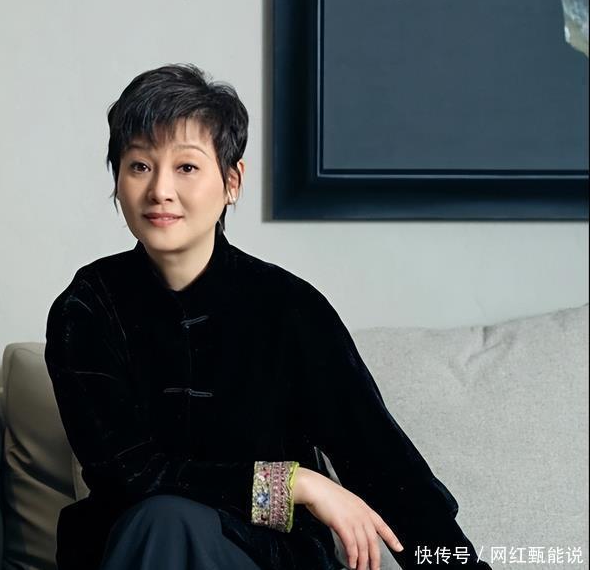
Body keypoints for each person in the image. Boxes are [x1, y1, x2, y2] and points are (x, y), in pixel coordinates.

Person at [44, 63, 492, 570]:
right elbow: (130, 475)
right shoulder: (87, 309)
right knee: (163, 520)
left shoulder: (291, 308)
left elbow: (385, 467)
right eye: (140, 165)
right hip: (140, 547)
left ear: (232, 181)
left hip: (267, 557)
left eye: (186, 167)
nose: (160, 190)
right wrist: (293, 485)